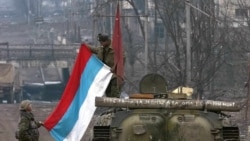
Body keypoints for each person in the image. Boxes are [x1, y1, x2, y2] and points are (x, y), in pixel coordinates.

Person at [86, 33, 123, 97]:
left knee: (114, 95)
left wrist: (115, 67)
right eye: (100, 42)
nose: (101, 44)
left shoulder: (115, 48)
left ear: (107, 41)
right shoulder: (101, 49)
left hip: (115, 75)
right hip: (106, 76)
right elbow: (93, 49)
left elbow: (122, 58)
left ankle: (115, 106)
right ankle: (111, 105)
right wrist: (85, 46)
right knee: (108, 94)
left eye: (102, 42)